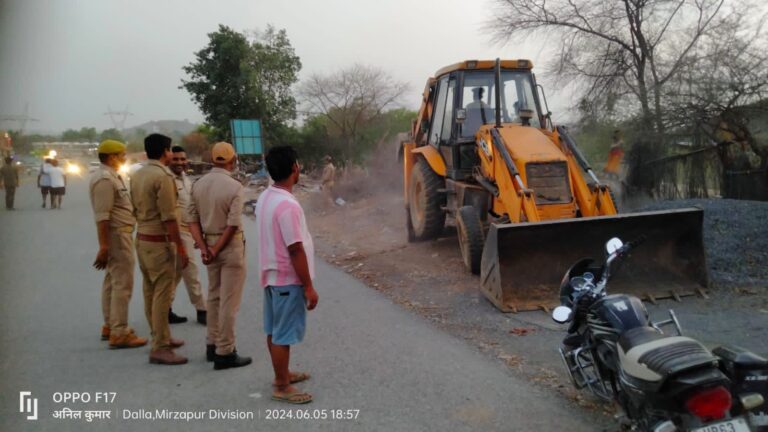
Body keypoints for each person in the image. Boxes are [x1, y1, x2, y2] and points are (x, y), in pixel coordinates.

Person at [256, 145, 319, 404]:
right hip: (287, 280)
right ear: (295, 168)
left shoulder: (266, 197)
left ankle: (282, 374)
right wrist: (308, 286)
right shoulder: (287, 206)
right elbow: (295, 249)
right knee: (283, 335)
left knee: (274, 331)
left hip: (272, 278)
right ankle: (281, 385)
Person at [185, 142, 251, 370]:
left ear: (212, 159)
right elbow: (233, 225)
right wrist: (216, 249)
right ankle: (225, 351)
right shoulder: (234, 187)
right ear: (232, 161)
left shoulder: (198, 185)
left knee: (213, 296)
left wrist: (205, 248)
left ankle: (211, 344)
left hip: (209, 243)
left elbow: (191, 219)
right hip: (229, 246)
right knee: (229, 302)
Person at [131, 133, 189, 365]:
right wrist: (181, 248)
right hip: (159, 241)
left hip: (143, 238)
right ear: (166, 151)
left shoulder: (138, 174)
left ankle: (160, 336)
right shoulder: (163, 177)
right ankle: (160, 347)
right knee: (162, 294)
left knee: (150, 291)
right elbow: (169, 218)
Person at [89, 140, 149, 349]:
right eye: (122, 155)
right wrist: (104, 246)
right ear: (111, 157)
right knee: (123, 284)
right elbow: (102, 217)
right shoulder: (105, 179)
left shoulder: (114, 176)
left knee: (112, 282)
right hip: (117, 236)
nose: (125, 158)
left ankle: (110, 325)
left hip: (119, 235)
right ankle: (120, 332)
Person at [169, 145, 207, 325]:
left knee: (175, 274)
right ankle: (202, 309)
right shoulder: (167, 180)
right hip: (176, 233)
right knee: (191, 271)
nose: (180, 163)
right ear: (168, 159)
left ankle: (165, 308)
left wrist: (197, 233)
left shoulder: (185, 179)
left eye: (182, 159)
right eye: (175, 159)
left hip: (188, 230)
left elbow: (191, 207)